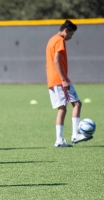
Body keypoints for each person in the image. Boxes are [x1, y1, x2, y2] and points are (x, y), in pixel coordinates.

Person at [45, 19, 93, 148]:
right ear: (66, 30)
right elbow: (56, 61)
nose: (71, 37)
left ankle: (59, 140)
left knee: (62, 108)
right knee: (77, 103)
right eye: (71, 34)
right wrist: (63, 79)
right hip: (60, 79)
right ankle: (75, 135)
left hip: (52, 80)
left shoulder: (52, 39)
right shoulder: (60, 40)